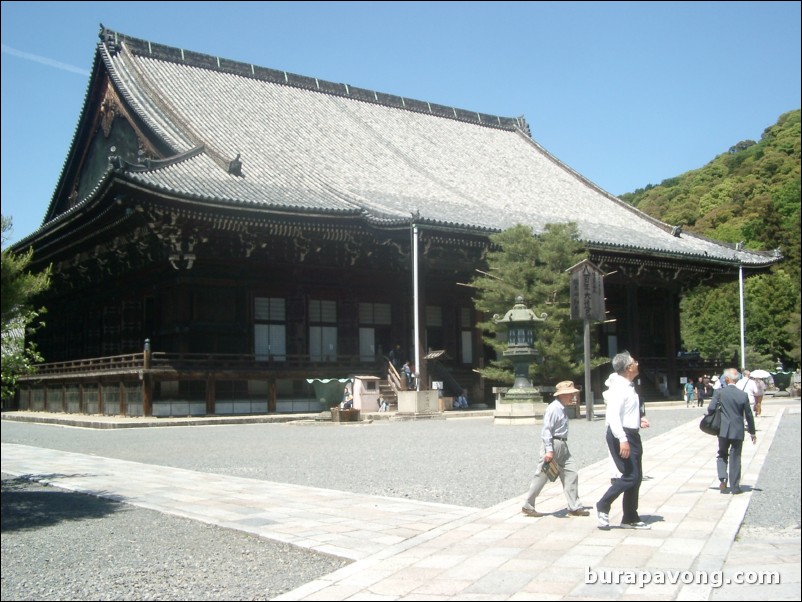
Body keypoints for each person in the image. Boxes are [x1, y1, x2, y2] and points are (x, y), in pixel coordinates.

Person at [596, 351, 651, 530]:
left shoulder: (628, 385)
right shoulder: (619, 387)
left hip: (631, 433)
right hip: (621, 433)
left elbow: (626, 411)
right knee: (630, 476)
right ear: (628, 367)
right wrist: (622, 439)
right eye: (634, 361)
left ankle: (630, 516)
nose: (637, 363)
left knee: (636, 477)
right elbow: (613, 416)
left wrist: (638, 419)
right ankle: (603, 505)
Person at [521, 381, 589, 518]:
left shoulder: (562, 408)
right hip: (553, 442)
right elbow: (546, 430)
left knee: (571, 472)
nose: (572, 396)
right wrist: (549, 450)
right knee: (542, 475)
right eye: (570, 394)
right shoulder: (554, 408)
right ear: (562, 395)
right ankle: (528, 505)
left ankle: (574, 506)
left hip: (563, 444)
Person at [710, 368, 756, 494]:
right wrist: (752, 432)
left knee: (722, 453)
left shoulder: (719, 392)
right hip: (737, 430)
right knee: (736, 457)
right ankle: (735, 486)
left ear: (726, 379)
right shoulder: (743, 395)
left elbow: (711, 409)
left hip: (723, 429)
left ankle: (723, 479)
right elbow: (749, 415)